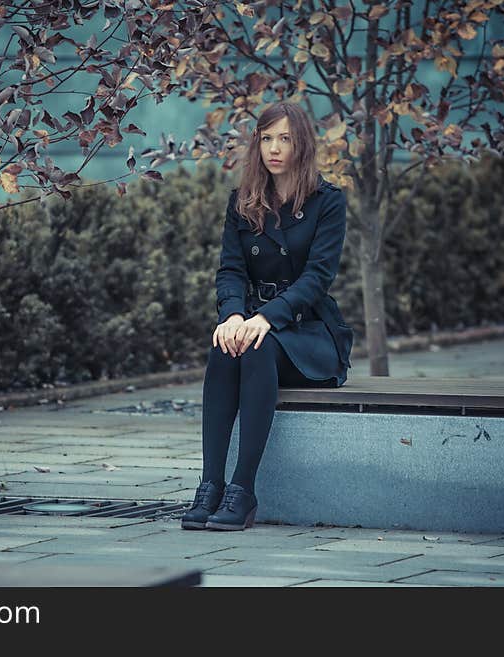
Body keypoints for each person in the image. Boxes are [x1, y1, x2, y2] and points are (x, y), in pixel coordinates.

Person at [181, 101, 354, 531]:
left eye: (285, 139)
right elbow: (231, 269)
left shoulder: (327, 202)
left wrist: (266, 318)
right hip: (256, 323)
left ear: (302, 144)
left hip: (309, 334)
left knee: (256, 346)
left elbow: (317, 278)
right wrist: (233, 315)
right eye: (266, 138)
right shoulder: (243, 202)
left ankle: (243, 490)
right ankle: (210, 486)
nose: (274, 148)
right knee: (225, 347)